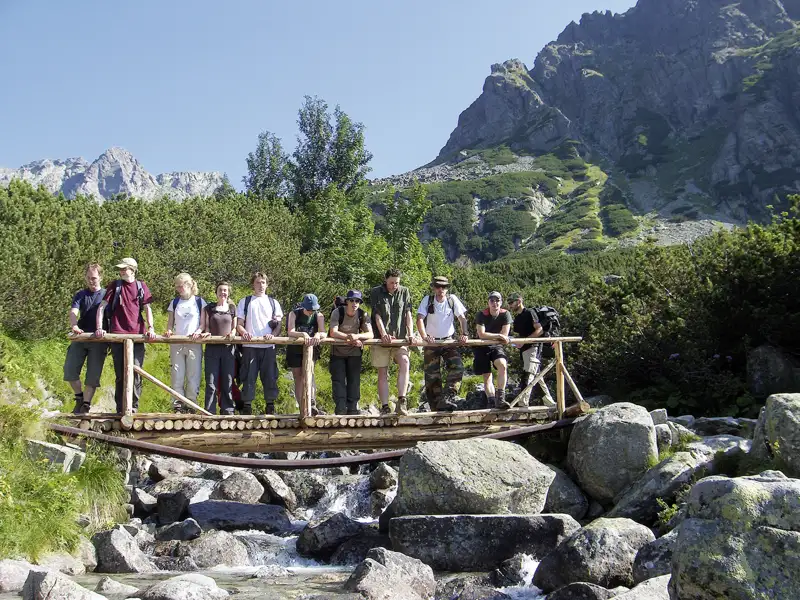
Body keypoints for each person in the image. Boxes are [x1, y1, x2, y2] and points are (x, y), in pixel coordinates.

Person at [95, 257, 156, 414]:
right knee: (120, 374)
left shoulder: (141, 286)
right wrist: (100, 328)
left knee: (136, 373)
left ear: (133, 269)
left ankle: (133, 407)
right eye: (120, 269)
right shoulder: (115, 286)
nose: (121, 271)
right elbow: (102, 307)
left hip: (137, 335)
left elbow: (147, 308)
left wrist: (151, 328)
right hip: (117, 335)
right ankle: (120, 409)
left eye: (124, 268)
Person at [416, 276, 468, 411]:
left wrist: (464, 334)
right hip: (431, 342)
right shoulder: (427, 300)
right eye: (438, 287)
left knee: (457, 367)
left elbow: (462, 318)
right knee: (432, 375)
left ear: (447, 288)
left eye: (443, 287)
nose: (440, 290)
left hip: (448, 340)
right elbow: (420, 319)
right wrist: (425, 336)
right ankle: (436, 406)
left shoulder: (452, 300)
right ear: (433, 287)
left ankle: (449, 396)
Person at [369, 268, 415, 415]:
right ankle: (385, 406)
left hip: (400, 338)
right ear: (385, 280)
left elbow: (408, 313)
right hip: (382, 339)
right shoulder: (376, 292)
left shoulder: (404, 291)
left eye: (397, 283)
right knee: (383, 371)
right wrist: (383, 334)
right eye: (391, 282)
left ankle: (402, 401)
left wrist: (410, 333)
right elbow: (377, 315)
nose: (394, 285)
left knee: (405, 362)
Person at [236, 272, 283, 415]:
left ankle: (270, 406)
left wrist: (273, 335)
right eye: (258, 282)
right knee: (248, 377)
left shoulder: (273, 302)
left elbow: (279, 325)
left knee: (270, 377)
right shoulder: (245, 301)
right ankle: (247, 407)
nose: (261, 285)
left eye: (263, 282)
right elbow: (239, 324)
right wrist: (244, 333)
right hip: (249, 347)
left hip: (268, 346)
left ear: (267, 284)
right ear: (253, 284)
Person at [64, 263, 108, 414]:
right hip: (81, 336)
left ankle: (86, 405)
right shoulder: (80, 295)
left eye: (94, 278)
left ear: (100, 277)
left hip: (98, 339)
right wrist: (74, 325)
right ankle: (79, 397)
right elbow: (73, 312)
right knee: (70, 370)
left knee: (93, 374)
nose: (91, 281)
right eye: (89, 278)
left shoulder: (106, 294)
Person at [164, 273, 206, 412]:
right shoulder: (174, 303)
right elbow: (170, 324)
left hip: (194, 343)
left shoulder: (199, 302)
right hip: (177, 343)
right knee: (177, 374)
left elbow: (203, 324)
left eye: (181, 285)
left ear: (189, 284)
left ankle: (191, 404)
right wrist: (169, 331)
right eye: (177, 286)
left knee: (193, 375)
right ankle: (177, 404)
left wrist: (198, 332)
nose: (179, 288)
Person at [328, 290, 372, 415]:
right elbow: (333, 332)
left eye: (357, 301)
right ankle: (340, 408)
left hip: (354, 353)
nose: (354, 303)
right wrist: (350, 338)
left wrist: (357, 337)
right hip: (337, 352)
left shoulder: (363, 314)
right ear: (347, 301)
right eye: (352, 300)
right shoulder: (338, 312)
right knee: (338, 381)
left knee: (354, 381)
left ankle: (353, 408)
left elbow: (371, 333)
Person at [200, 281, 237, 415]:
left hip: (228, 348)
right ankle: (209, 411)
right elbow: (206, 326)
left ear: (228, 293)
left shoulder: (232, 308)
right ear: (216, 292)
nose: (223, 292)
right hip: (212, 348)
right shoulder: (209, 308)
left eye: (225, 290)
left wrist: (232, 334)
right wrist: (206, 332)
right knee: (211, 382)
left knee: (227, 380)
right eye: (220, 290)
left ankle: (228, 410)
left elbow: (234, 327)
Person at [286, 293, 326, 416]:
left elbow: (323, 332)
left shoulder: (319, 316)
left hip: (310, 349)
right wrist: (303, 334)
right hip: (294, 350)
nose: (311, 312)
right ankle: (302, 406)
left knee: (309, 373)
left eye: (313, 309)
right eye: (309, 309)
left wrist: (318, 335)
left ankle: (312, 402)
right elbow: (290, 331)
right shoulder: (294, 314)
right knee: (298, 377)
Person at [474, 291, 513, 409]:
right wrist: (498, 336)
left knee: (502, 365)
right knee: (487, 376)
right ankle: (491, 401)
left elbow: (505, 334)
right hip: (481, 346)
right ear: (488, 302)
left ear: (501, 302)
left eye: (497, 300)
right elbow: (481, 334)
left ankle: (500, 398)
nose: (495, 303)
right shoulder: (481, 314)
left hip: (496, 345)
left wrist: (498, 336)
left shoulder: (506, 314)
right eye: (492, 300)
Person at [507, 292, 546, 406]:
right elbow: (520, 335)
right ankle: (549, 402)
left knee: (528, 375)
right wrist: (516, 342)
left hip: (533, 347)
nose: (510, 305)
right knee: (537, 376)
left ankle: (523, 403)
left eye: (511, 302)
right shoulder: (518, 318)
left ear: (519, 301)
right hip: (524, 350)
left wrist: (525, 341)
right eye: (509, 303)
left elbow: (539, 330)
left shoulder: (530, 312)